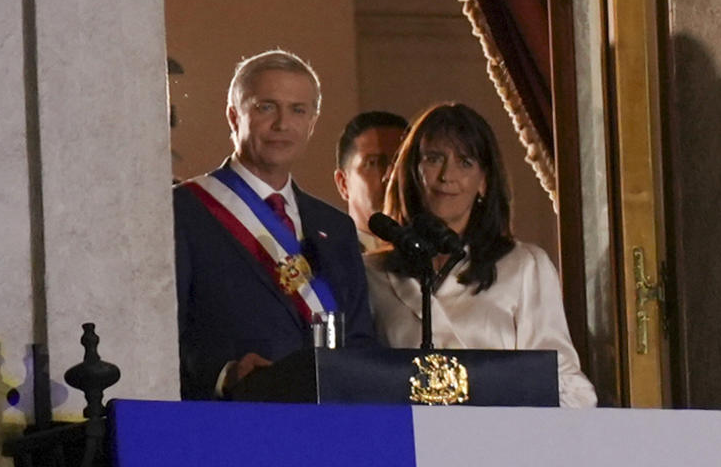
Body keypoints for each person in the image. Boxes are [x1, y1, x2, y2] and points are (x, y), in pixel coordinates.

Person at [365, 103, 597, 408]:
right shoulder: (372, 272)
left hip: (499, 441)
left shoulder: (524, 265)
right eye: (434, 159)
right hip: (406, 443)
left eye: (464, 162)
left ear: (484, 180)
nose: (447, 176)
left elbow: (567, 386)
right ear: (413, 171)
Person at [173, 50, 375, 399]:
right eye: (266, 107)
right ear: (234, 116)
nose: (282, 124)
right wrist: (223, 374)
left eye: (298, 110)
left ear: (312, 121)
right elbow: (160, 332)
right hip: (232, 420)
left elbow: (359, 339)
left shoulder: (336, 227)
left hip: (326, 422)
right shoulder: (184, 210)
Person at [333, 109, 408, 250]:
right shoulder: (322, 258)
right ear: (343, 183)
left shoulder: (436, 255)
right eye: (373, 163)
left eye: (401, 162)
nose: (391, 175)